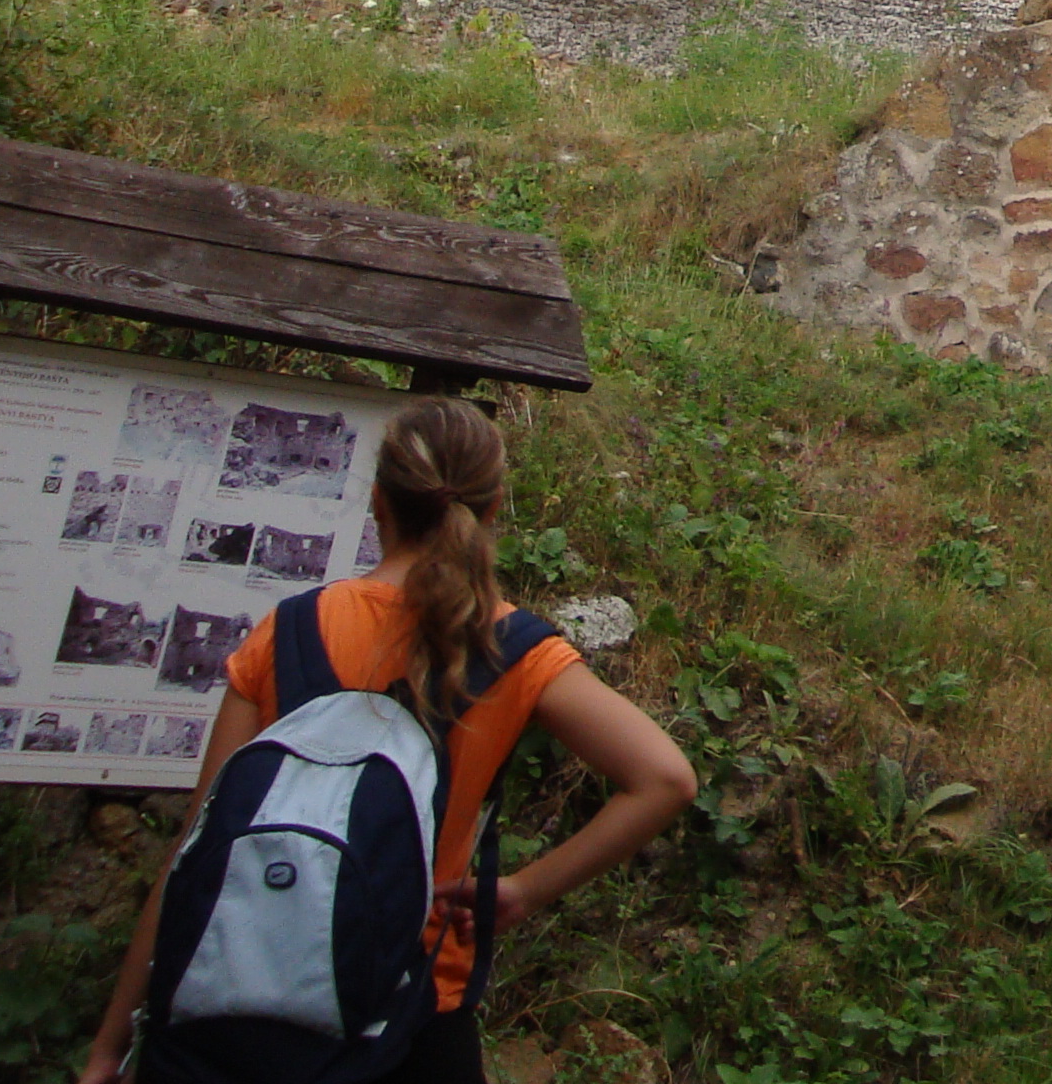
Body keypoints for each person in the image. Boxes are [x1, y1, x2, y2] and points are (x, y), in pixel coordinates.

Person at [79, 397, 697, 1084]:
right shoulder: (513, 650)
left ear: (378, 501)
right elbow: (666, 779)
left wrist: (111, 1042)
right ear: (493, 511)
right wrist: (523, 891)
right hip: (416, 1010)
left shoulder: (289, 631)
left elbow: (196, 845)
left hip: (245, 993)